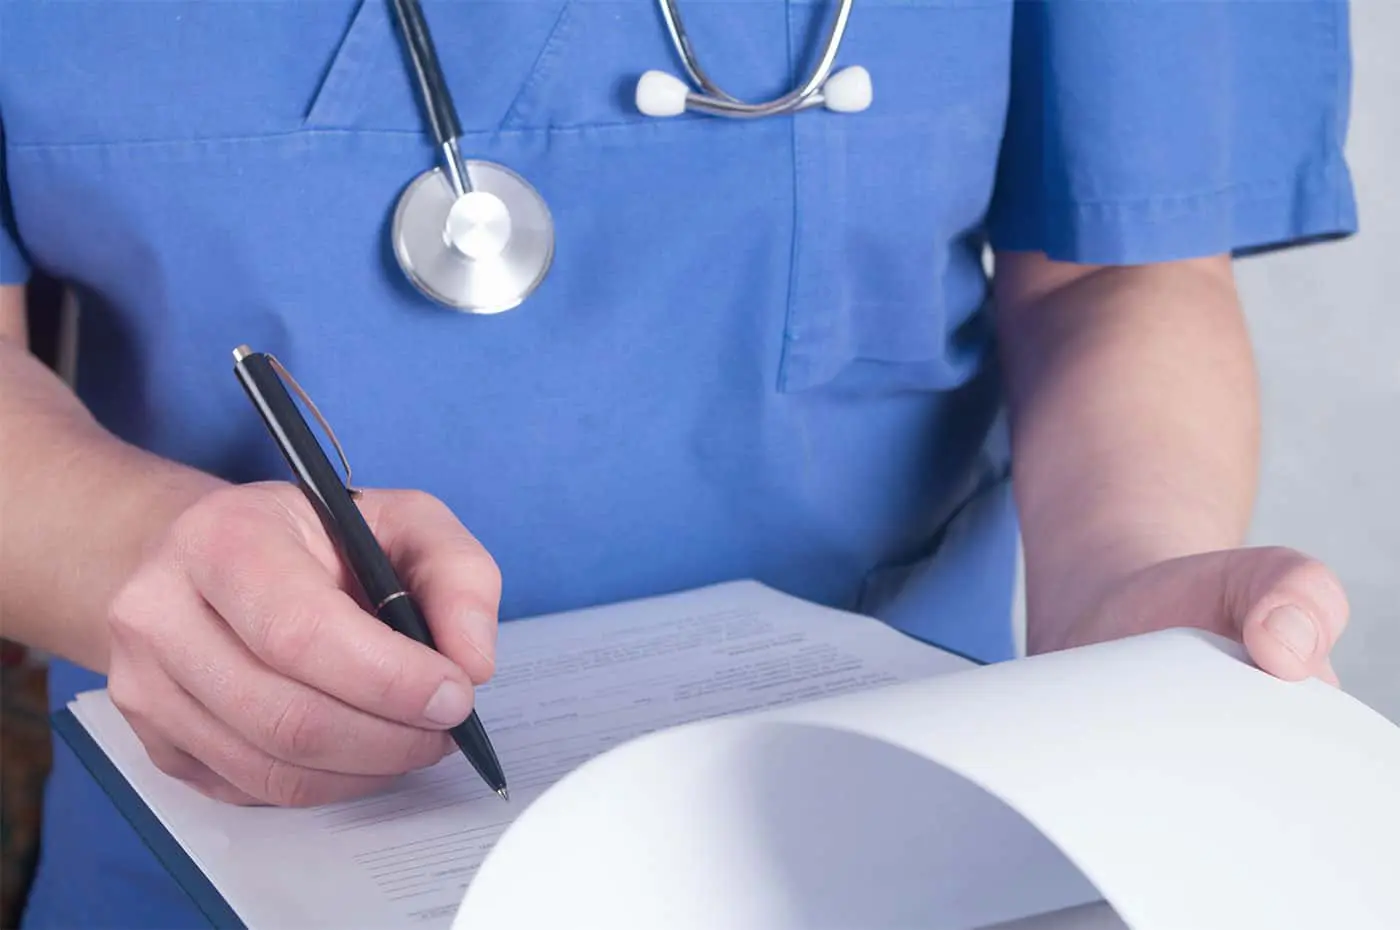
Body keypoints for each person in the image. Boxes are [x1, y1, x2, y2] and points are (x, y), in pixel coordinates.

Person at [0, 0, 1358, 925]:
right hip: (220, 859)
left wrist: (1122, 594)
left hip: (892, 844)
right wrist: (136, 548)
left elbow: (1113, 268)